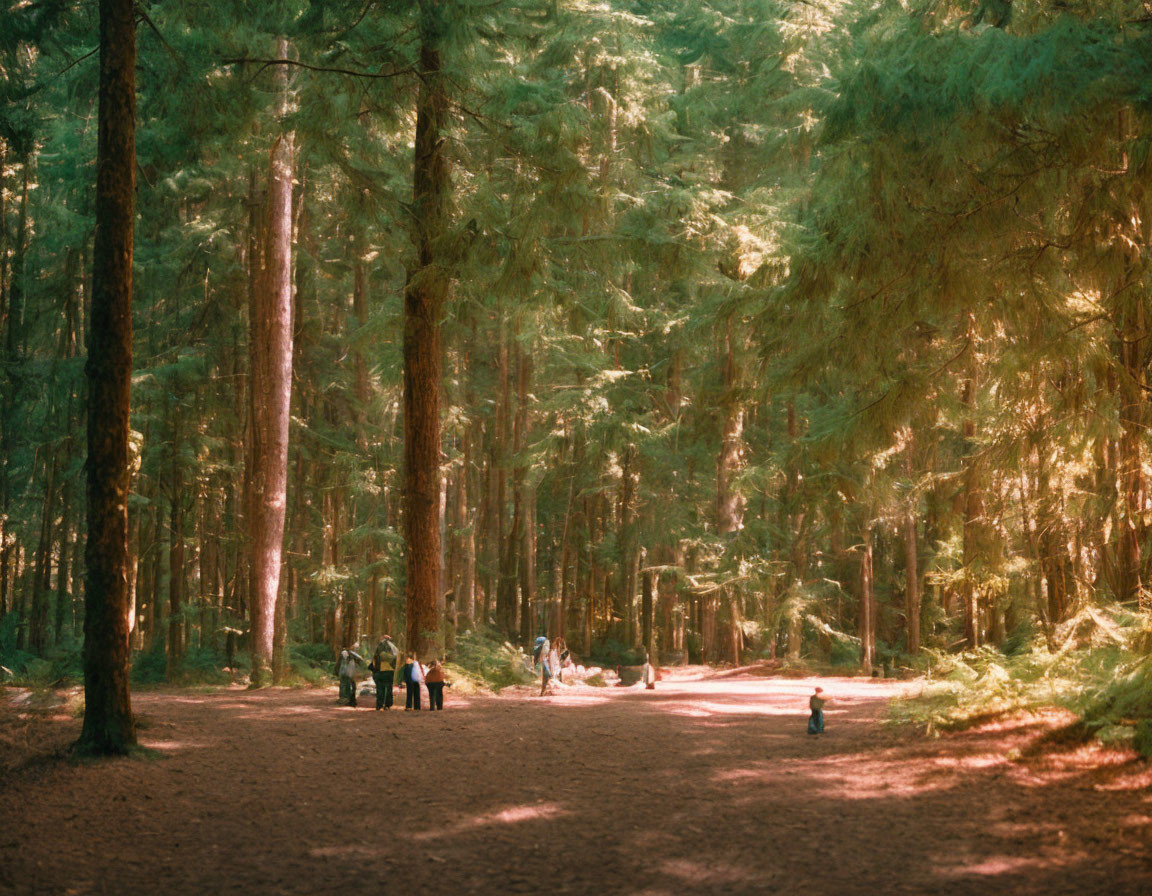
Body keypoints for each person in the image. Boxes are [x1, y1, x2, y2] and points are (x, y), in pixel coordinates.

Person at [369, 635, 400, 711]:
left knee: (380, 689)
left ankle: (379, 705)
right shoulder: (393, 649)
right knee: (389, 688)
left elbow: (374, 660)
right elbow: (396, 660)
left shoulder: (379, 648)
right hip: (390, 671)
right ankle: (388, 704)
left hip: (380, 671)